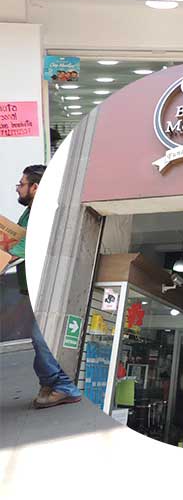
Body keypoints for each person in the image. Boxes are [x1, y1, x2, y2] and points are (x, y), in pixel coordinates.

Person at [9, 164, 81, 409]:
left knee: (42, 339)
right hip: (35, 286)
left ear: (35, 187)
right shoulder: (29, 212)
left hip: (49, 286)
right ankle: (51, 383)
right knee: (39, 338)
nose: (17, 188)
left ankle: (64, 386)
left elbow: (22, 246)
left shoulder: (43, 212)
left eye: (21, 184)